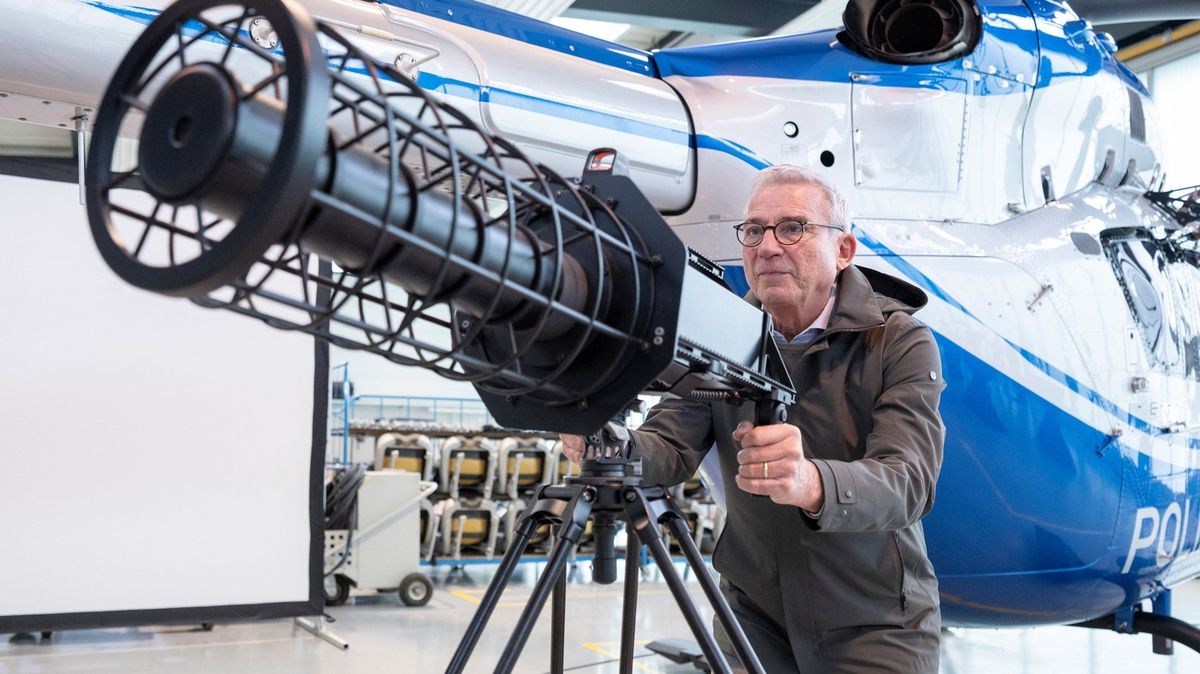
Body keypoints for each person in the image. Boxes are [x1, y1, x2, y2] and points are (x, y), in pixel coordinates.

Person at [561, 165, 945, 673]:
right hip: (752, 616)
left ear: (844, 250)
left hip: (874, 622)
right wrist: (608, 443)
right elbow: (669, 448)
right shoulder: (720, 338)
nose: (767, 247)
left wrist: (810, 482)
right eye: (754, 230)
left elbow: (908, 482)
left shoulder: (897, 340)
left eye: (792, 228)